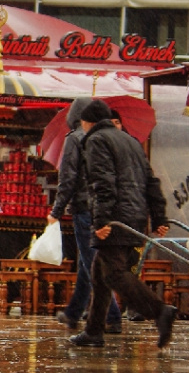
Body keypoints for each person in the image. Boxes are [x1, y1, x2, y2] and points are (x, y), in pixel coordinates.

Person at [69, 100, 176, 348]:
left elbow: (102, 183)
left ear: (87, 122)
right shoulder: (130, 141)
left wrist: (101, 221)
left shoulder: (96, 140)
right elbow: (151, 181)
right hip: (136, 217)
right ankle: (94, 331)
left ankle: (159, 311)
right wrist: (159, 216)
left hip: (116, 217)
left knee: (115, 273)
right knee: (99, 273)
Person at [49, 98, 123, 333]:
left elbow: (68, 178)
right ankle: (73, 312)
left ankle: (112, 316)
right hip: (108, 209)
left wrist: (56, 211)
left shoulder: (75, 138)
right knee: (87, 262)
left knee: (92, 263)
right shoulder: (112, 139)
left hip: (84, 209)